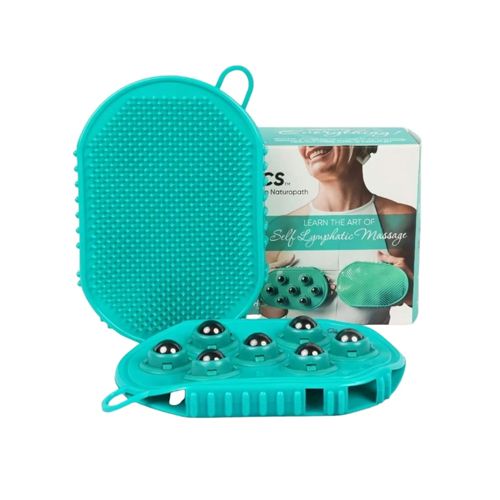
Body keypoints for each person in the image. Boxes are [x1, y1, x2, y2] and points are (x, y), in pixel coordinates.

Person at [261, 145, 415, 324]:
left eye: (325, 135)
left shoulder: (401, 219)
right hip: (300, 341)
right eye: (305, 138)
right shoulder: (281, 229)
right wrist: (269, 291)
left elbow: (430, 305)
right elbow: (271, 314)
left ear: (362, 144)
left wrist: (410, 289)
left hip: (367, 341)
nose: (310, 144)